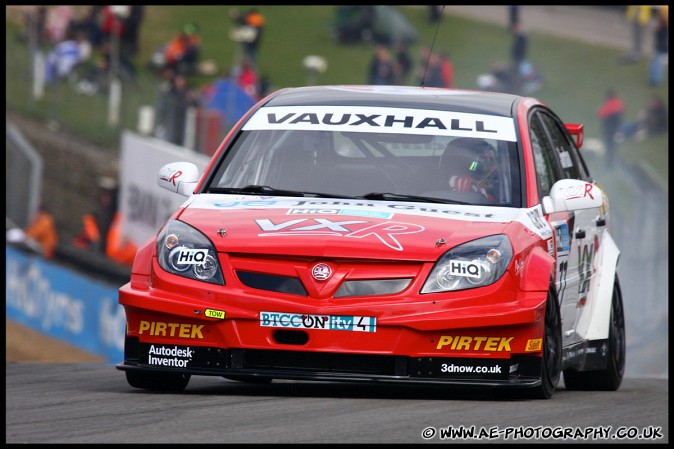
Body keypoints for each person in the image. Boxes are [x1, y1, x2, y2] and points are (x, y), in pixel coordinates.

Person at [597, 89, 625, 167]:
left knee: (609, 147)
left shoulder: (609, 105)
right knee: (613, 147)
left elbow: (601, 114)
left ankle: (609, 164)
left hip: (609, 129)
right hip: (616, 129)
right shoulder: (619, 103)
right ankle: (612, 161)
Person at [648, 6, 668, 86]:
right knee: (655, 64)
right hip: (660, 47)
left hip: (661, 47)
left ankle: (656, 80)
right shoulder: (663, 23)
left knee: (657, 64)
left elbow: (655, 30)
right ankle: (654, 79)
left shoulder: (663, 24)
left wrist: (656, 27)